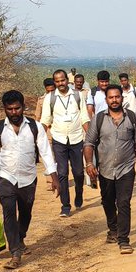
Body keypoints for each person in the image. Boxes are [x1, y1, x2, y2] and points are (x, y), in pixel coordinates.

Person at [0, 90, 59, 270]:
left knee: (26, 213)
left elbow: (46, 152)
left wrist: (54, 177)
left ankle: (20, 237)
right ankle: (15, 252)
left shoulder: (35, 127)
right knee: (9, 214)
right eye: (10, 109)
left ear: (23, 107)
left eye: (17, 108)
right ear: (4, 109)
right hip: (5, 178)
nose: (14, 112)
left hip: (28, 178)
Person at [84, 86, 136, 254]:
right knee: (108, 201)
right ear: (106, 99)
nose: (114, 100)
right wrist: (89, 164)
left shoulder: (132, 118)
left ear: (122, 98)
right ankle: (113, 229)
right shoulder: (98, 119)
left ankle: (124, 240)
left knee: (123, 203)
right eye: (111, 98)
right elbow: (89, 143)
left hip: (126, 169)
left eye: (117, 97)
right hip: (105, 169)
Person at [39, 68, 88, 217]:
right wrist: (37, 137)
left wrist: (92, 136)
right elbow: (45, 119)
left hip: (77, 138)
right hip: (59, 139)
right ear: (55, 82)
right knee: (62, 173)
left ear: (68, 80)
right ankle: (65, 206)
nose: (61, 83)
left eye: (63, 80)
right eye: (58, 81)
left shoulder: (78, 96)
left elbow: (84, 117)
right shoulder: (50, 98)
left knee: (79, 173)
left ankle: (79, 193)